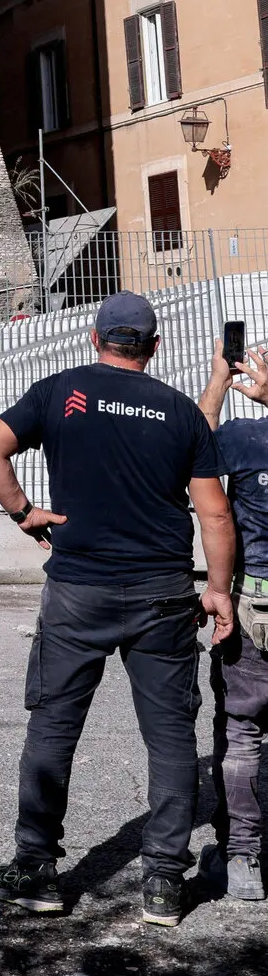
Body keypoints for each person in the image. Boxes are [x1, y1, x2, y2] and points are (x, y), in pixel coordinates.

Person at [0, 290, 234, 927]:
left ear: (95, 338)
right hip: (162, 595)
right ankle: (165, 883)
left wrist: (23, 512)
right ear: (154, 346)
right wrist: (219, 588)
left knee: (54, 727)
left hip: (78, 591)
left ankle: (36, 870)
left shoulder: (60, 391)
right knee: (171, 737)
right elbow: (215, 512)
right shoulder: (180, 413)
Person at [198, 340, 268, 901]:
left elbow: (194, 444)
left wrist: (221, 379)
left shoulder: (243, 439)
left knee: (241, 732)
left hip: (252, 601)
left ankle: (243, 858)